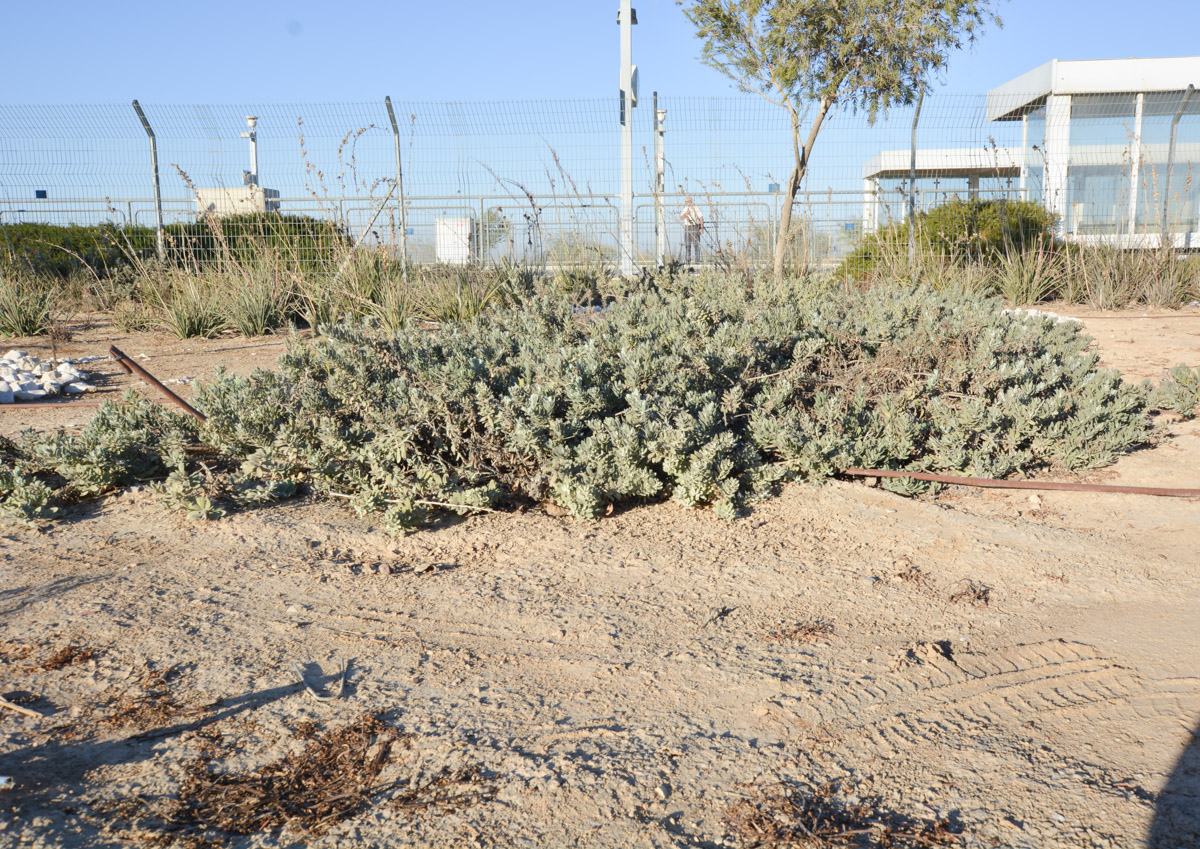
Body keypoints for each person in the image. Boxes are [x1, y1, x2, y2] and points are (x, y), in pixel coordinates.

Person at [679, 197, 704, 264]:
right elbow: (681, 218)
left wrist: (701, 228)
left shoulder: (696, 208)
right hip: (687, 227)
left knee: (696, 245)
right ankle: (688, 262)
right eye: (686, 201)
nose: (686, 203)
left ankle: (697, 262)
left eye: (687, 201)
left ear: (691, 201)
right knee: (687, 245)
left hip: (695, 226)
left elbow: (701, 218)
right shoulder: (685, 209)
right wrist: (686, 213)